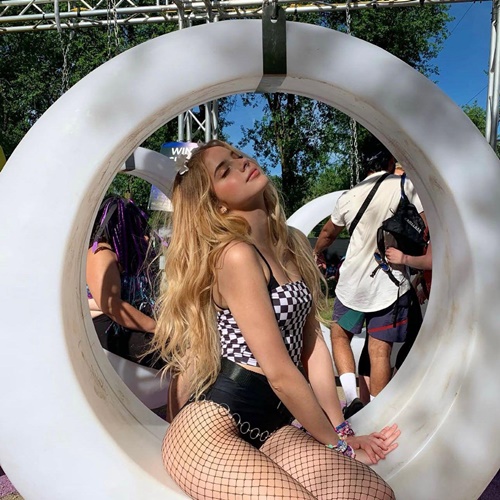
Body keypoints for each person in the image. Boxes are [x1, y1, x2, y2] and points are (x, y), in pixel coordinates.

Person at [152, 140, 399, 499]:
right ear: (216, 203)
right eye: (224, 170)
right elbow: (281, 374)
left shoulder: (290, 246)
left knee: (376, 494)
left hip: (272, 425)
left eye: (237, 155)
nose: (242, 163)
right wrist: (341, 449)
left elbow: (312, 346)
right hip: (209, 429)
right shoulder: (236, 255)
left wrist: (340, 430)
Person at [313, 144, 425, 418]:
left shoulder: (349, 196)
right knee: (380, 352)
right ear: (390, 161)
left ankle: (352, 398)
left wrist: (317, 253)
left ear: (365, 165)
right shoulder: (404, 186)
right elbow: (426, 226)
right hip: (389, 284)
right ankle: (376, 413)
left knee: (340, 334)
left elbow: (328, 233)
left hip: (353, 286)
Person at [86, 195, 165, 370]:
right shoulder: (100, 253)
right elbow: (112, 306)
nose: (142, 235)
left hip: (127, 322)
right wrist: (157, 328)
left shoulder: (124, 255)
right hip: (111, 328)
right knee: (176, 354)